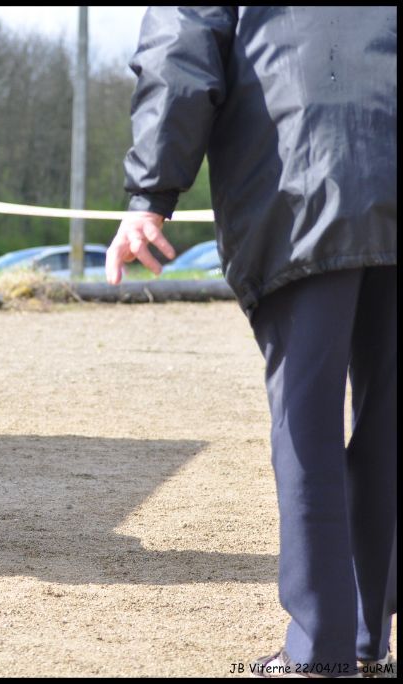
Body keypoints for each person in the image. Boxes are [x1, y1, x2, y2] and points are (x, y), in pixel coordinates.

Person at [105, 6, 396, 678]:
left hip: (300, 181)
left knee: (305, 423)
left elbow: (179, 55)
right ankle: (367, 639)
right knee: (389, 422)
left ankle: (320, 650)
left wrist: (151, 191)